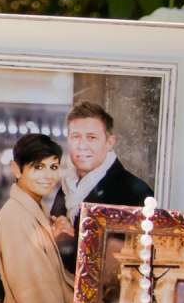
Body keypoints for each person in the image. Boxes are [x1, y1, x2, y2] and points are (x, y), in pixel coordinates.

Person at [51, 103, 157, 264]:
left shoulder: (136, 192)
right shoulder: (67, 186)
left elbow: (134, 263)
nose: (82, 145)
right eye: (75, 137)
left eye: (91, 137)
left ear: (109, 142)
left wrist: (68, 241)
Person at [0, 134, 74, 303]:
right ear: (16, 169)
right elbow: (37, 299)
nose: (48, 176)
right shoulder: (16, 217)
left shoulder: (35, 209)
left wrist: (56, 239)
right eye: (38, 167)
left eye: (53, 167)